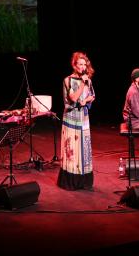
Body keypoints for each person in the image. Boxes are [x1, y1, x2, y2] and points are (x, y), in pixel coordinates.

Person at [57, 52, 96, 190]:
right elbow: (73, 98)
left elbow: (92, 95)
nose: (83, 67)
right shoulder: (68, 80)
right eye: (80, 64)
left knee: (83, 149)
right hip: (71, 119)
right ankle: (71, 181)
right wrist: (82, 85)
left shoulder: (88, 80)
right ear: (74, 65)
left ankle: (83, 181)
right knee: (72, 150)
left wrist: (86, 100)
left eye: (84, 64)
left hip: (84, 119)